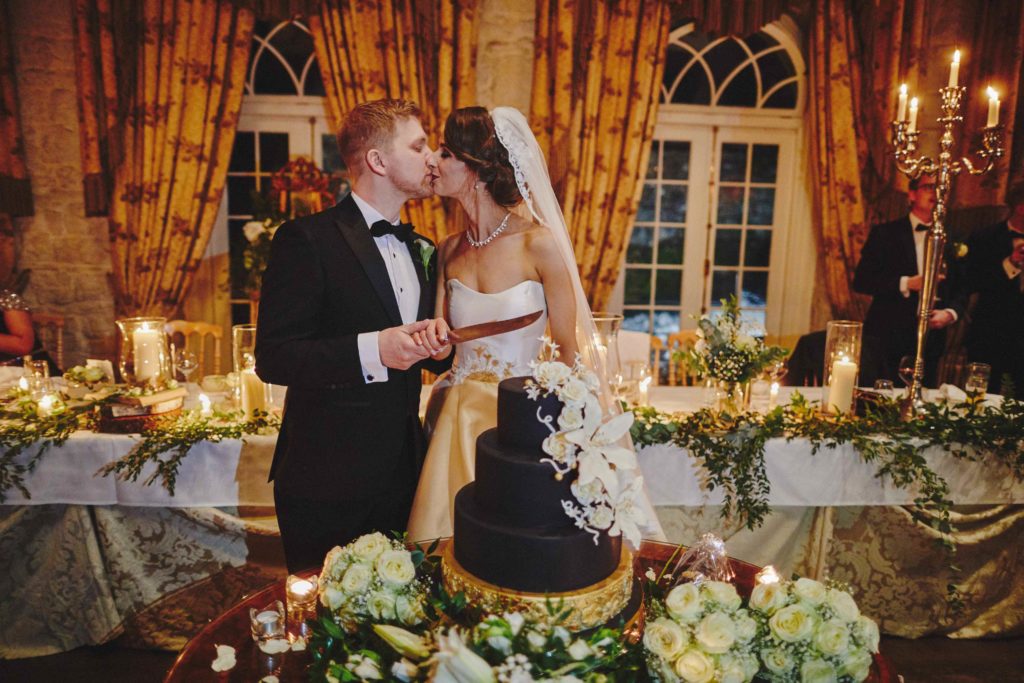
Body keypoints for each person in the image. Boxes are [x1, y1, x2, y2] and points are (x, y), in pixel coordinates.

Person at [406, 107, 663, 543]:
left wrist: (559, 426)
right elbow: (444, 345)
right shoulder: (448, 249)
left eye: (446, 153)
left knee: (520, 543)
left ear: (479, 169)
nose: (433, 160)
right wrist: (433, 342)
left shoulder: (538, 244)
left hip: (522, 423)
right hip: (456, 417)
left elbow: (569, 351)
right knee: (448, 541)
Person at [255, 98, 451, 572]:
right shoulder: (306, 240)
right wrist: (375, 349)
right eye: (419, 145)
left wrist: (438, 348)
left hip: (405, 475)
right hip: (325, 476)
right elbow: (275, 357)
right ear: (378, 160)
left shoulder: (423, 248)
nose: (432, 158)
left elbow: (426, 357)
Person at [852, 174, 965, 386]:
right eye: (929, 187)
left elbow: (962, 287)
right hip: (888, 333)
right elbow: (862, 281)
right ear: (912, 195)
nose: (936, 193)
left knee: (924, 404)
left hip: (932, 337)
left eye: (941, 188)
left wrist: (950, 314)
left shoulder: (953, 237)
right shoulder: (885, 233)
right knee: (881, 401)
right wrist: (906, 283)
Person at [964, 180, 1024, 395]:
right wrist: (1010, 264)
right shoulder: (986, 238)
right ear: (1020, 207)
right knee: (980, 396)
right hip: (990, 334)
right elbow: (971, 281)